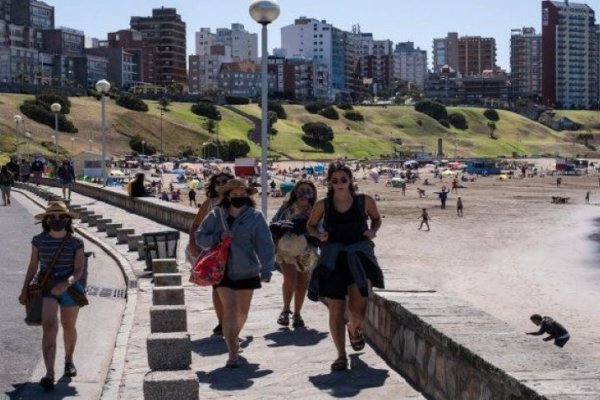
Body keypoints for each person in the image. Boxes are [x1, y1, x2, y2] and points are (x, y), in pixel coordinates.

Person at [307, 161, 384, 372]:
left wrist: (373, 231)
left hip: (359, 256)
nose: (339, 183)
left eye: (343, 179)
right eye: (335, 180)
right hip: (333, 259)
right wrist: (318, 234)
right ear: (329, 182)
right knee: (336, 310)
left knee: (359, 309)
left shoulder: (364, 201)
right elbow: (311, 225)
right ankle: (341, 356)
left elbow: (376, 219)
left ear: (350, 180)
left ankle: (354, 327)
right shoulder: (323, 204)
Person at [196, 179, 275, 368]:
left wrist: (267, 268)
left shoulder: (256, 217)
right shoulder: (216, 215)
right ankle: (232, 351)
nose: (238, 197)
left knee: (242, 311)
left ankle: (234, 336)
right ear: (227, 195)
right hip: (221, 269)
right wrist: (218, 237)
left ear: (247, 195)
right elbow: (200, 236)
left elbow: (265, 244)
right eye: (235, 193)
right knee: (229, 309)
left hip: (247, 269)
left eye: (242, 194)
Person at [18, 202, 85, 390]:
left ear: (68, 219)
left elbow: (79, 270)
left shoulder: (76, 242)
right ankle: (49, 373)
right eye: (53, 217)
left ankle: (68, 361)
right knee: (49, 327)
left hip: (70, 289)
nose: (57, 220)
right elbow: (33, 266)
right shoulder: (38, 240)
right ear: (46, 220)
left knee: (68, 326)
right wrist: (24, 289)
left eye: (61, 216)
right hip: (46, 287)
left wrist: (66, 283)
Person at [187, 172, 234, 336]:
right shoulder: (210, 203)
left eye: (225, 181)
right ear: (213, 186)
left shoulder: (239, 201)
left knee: (234, 287)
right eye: (218, 182)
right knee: (217, 286)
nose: (221, 184)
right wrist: (193, 244)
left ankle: (231, 321)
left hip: (235, 251)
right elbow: (195, 226)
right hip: (215, 250)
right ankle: (222, 322)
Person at [271, 180, 319, 329]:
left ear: (313, 194)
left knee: (302, 283)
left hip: (306, 249)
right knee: (290, 278)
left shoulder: (316, 209)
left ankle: (297, 313)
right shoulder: (287, 206)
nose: (304, 192)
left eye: (308, 190)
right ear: (295, 191)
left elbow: (321, 228)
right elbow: (274, 222)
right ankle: (286, 310)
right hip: (285, 248)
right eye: (301, 189)